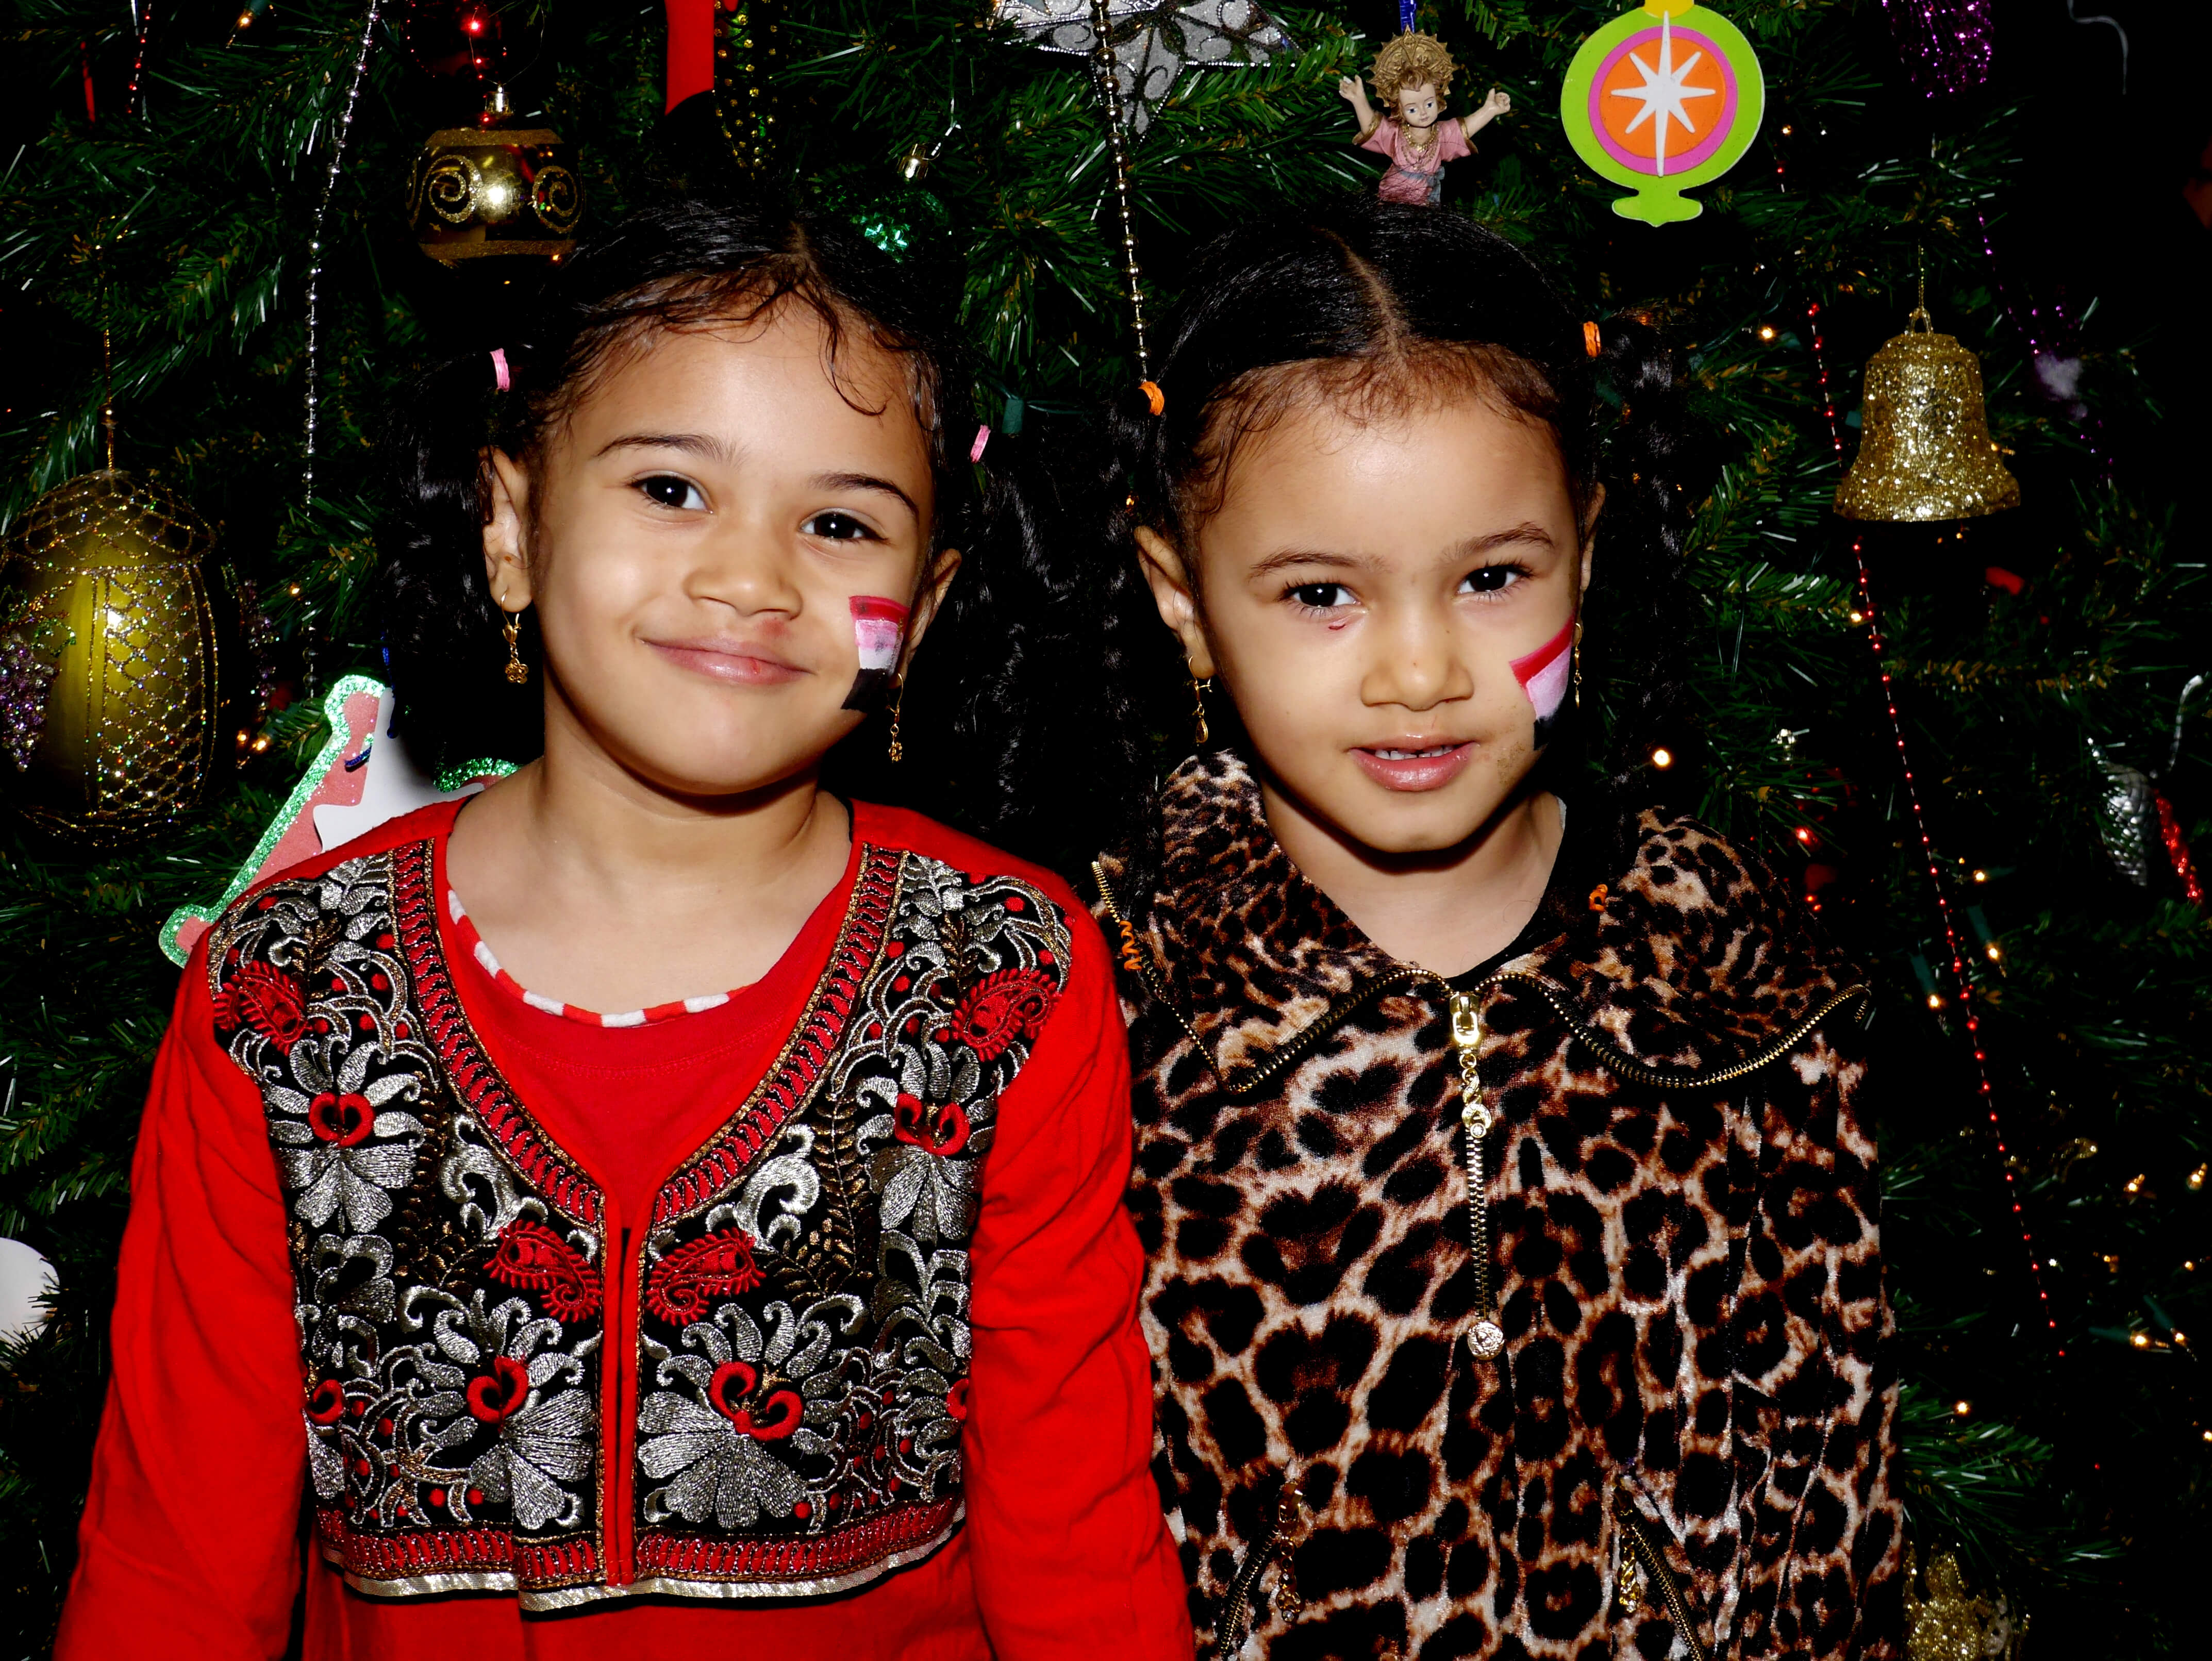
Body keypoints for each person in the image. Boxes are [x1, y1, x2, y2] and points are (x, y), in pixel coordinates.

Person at [56, 196, 1190, 1660]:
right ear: (512, 527)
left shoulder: (1006, 976)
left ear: (920, 607)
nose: (749, 577)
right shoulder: (281, 986)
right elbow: (170, 1572)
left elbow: (1081, 1556)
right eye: (670, 488)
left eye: (839, 522)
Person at [1085, 200, 1903, 1658]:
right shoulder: (1098, 985)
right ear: (1183, 601)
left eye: (1490, 578)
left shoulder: (1734, 973)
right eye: (1321, 593)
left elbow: (1829, 1463)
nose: (1419, 670)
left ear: (1583, 556)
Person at [1337, 31, 1510, 207]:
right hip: (1393, 197)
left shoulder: (1441, 135)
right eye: (1412, 109)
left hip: (1425, 201)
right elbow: (1372, 128)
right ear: (1400, 110)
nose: (1423, 113)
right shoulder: (1396, 135)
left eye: (1429, 104)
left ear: (1438, 99)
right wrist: (1359, 100)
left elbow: (1465, 129)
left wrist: (1490, 110)